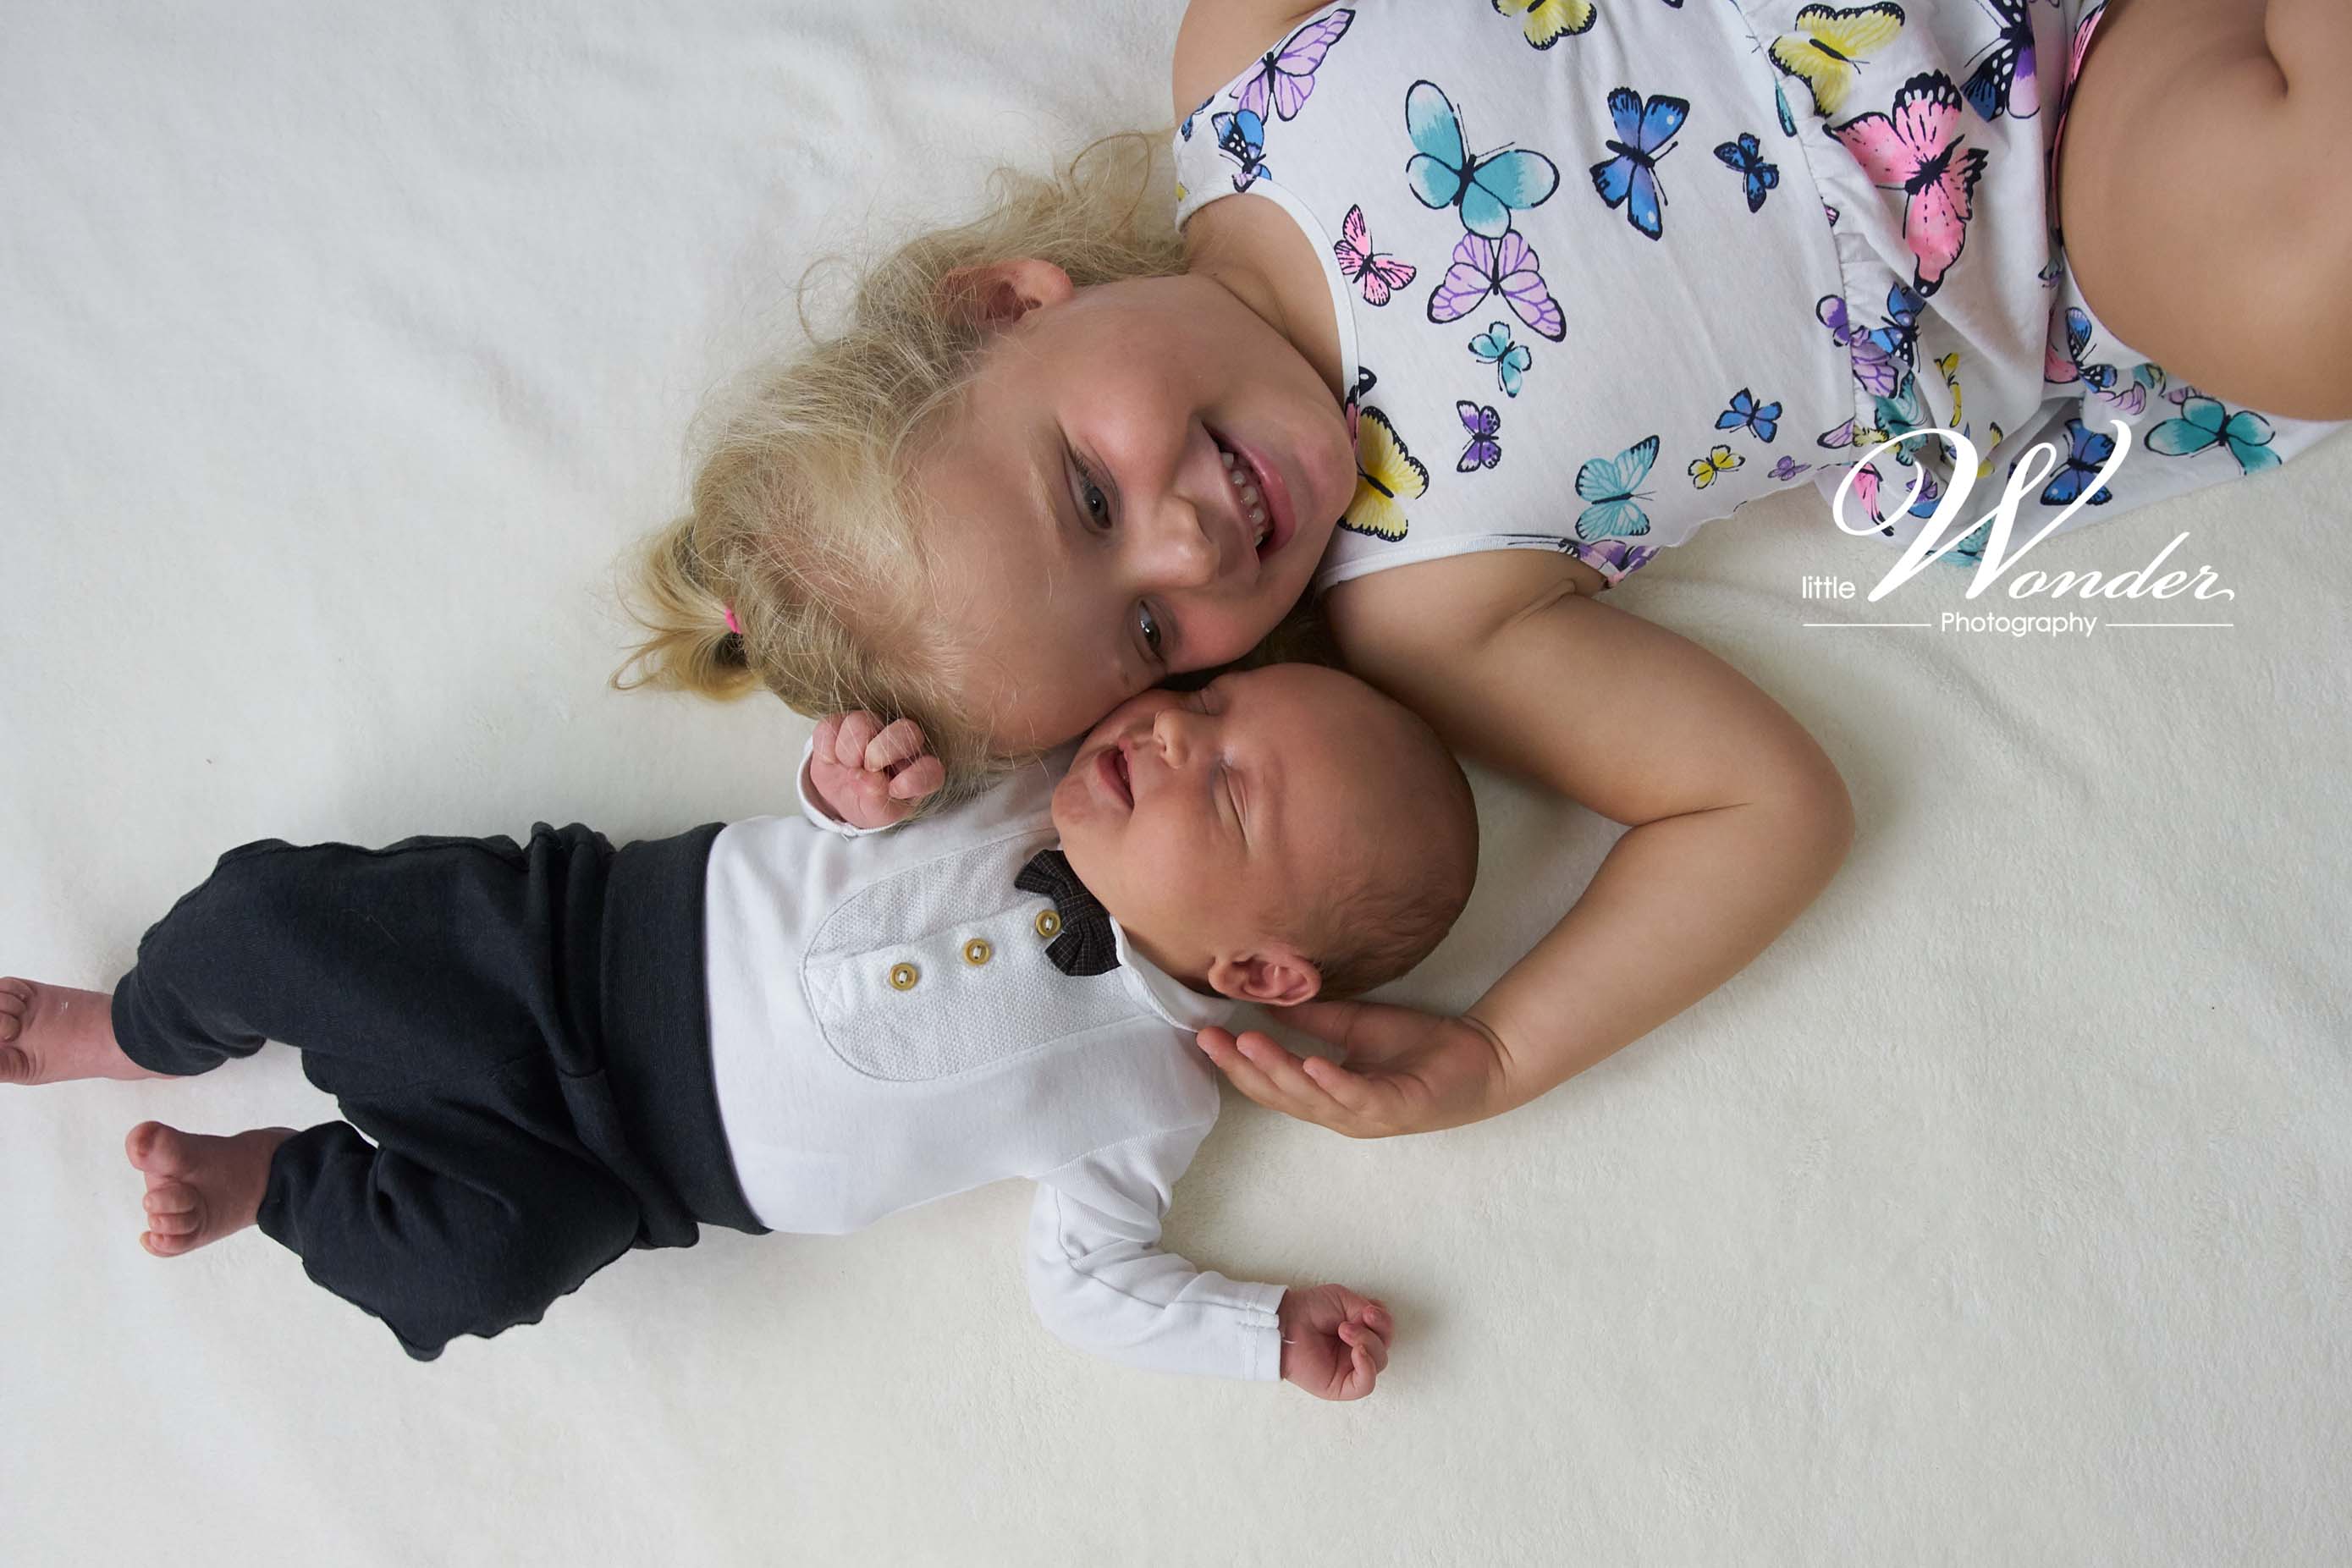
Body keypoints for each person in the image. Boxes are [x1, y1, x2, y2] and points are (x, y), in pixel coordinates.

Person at [611, 0, 2344, 1138]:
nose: (1191, 540)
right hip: (2076, 170)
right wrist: (1503, 1050)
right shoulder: (1430, 598)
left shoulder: (1251, 69)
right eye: (1148, 629)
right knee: (2305, 285)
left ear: (1011, 301)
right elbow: (1755, 806)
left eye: (1086, 491)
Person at [0, 664, 1475, 1395]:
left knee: (469, 1273)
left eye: (1227, 789)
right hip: (565, 947)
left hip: (611, 1171)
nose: (1171, 733)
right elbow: (843, 804)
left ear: (1260, 969)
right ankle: (132, 1025)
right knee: (267, 919)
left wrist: (1253, 1331)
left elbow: (1088, 1282)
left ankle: (278, 1178)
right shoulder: (1030, 764)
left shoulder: (1159, 1096)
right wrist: (846, 781)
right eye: (1208, 700)